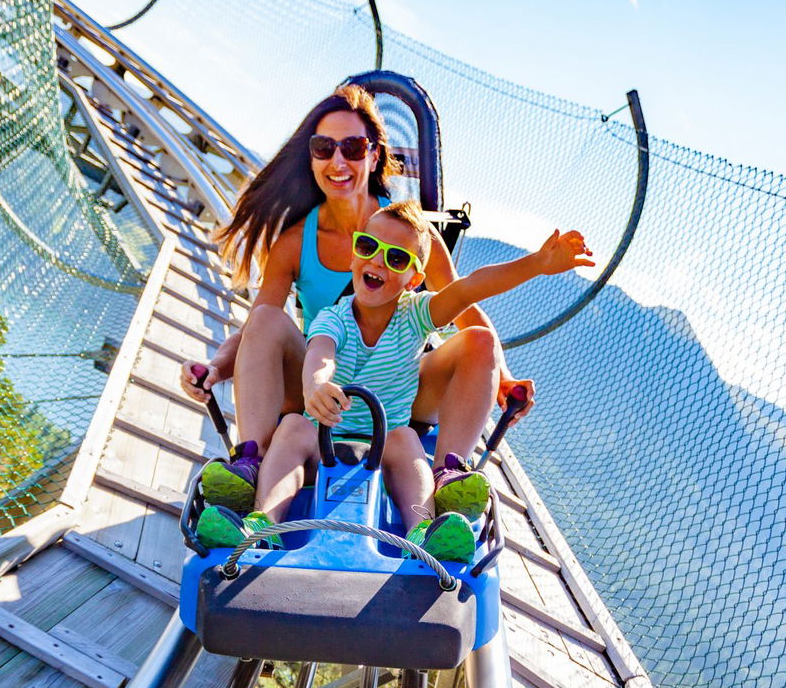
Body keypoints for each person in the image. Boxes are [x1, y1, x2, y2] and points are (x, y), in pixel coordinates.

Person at [181, 85, 532, 515]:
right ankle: (249, 462)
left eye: (352, 147)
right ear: (311, 157)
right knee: (270, 318)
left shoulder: (415, 234)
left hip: (396, 389)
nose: (338, 161)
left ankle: (449, 481)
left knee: (479, 339)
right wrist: (216, 368)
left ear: (374, 154)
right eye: (324, 148)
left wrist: (506, 379)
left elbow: (465, 305)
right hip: (319, 389)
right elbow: (259, 327)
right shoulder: (294, 242)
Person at [196, 201, 592, 561]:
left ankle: (426, 526)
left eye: (397, 257)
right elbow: (320, 354)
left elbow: (472, 286)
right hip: (323, 437)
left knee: (408, 439)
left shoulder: (416, 315)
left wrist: (537, 264)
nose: (379, 262)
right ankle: (262, 525)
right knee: (293, 427)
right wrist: (316, 386)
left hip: (385, 444)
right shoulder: (335, 317)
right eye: (369, 247)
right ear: (356, 252)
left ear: (414, 279)